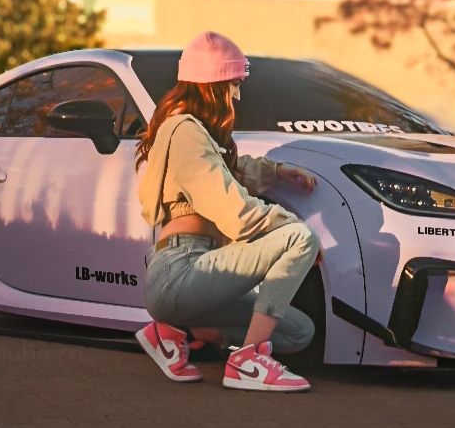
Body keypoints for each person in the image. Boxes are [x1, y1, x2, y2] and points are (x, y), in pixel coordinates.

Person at [134, 30, 320, 393]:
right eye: (233, 84)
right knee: (300, 237)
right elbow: (237, 213)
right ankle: (247, 361)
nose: (237, 95)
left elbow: (227, 170)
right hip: (180, 269)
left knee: (298, 332)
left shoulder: (198, 135)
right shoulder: (183, 130)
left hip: (202, 271)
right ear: (213, 86)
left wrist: (277, 171)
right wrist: (295, 231)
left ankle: (176, 333)